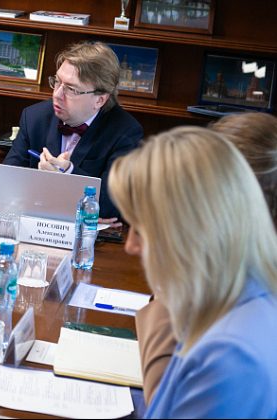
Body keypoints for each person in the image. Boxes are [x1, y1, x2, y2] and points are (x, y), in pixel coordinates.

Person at [109, 126, 277, 418]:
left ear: (190, 230)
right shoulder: (233, 302)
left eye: (142, 228)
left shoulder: (229, 358)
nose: (131, 245)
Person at [3, 41, 143, 221]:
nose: (57, 94)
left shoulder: (126, 132)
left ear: (99, 100)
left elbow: (111, 205)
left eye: (70, 89)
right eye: (57, 82)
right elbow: (6, 183)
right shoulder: (34, 117)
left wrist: (68, 173)